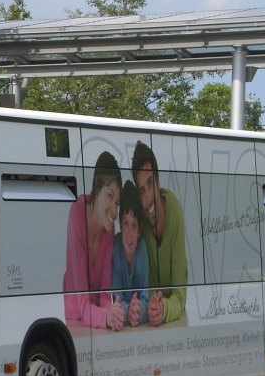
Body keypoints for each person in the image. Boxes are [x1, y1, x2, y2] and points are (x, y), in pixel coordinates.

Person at [64, 151, 125, 330]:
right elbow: (83, 306)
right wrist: (107, 316)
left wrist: (114, 313)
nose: (114, 210)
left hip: (97, 324)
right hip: (75, 322)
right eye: (110, 196)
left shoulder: (109, 228)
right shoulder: (78, 212)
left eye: (118, 202)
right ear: (96, 191)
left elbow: (105, 295)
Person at [131, 139, 187, 326]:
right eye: (141, 191)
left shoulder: (174, 211)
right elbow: (144, 288)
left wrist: (163, 308)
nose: (148, 199)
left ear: (158, 181)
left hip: (174, 324)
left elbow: (179, 295)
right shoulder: (140, 226)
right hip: (153, 323)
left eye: (150, 183)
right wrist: (150, 304)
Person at [112, 180, 150, 327]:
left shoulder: (142, 250)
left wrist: (137, 310)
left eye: (134, 225)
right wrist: (128, 311)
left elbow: (145, 297)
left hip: (137, 325)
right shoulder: (116, 249)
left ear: (139, 231)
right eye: (126, 223)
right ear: (120, 225)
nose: (129, 232)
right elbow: (116, 297)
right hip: (121, 323)